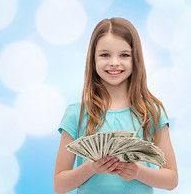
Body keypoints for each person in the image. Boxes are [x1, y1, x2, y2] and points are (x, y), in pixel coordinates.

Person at [53, 17, 178, 194]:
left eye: (124, 55)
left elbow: (171, 180)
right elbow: (59, 186)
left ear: (136, 59)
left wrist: (137, 171)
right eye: (105, 55)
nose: (114, 62)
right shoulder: (76, 114)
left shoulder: (151, 112)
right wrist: (90, 168)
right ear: (93, 59)